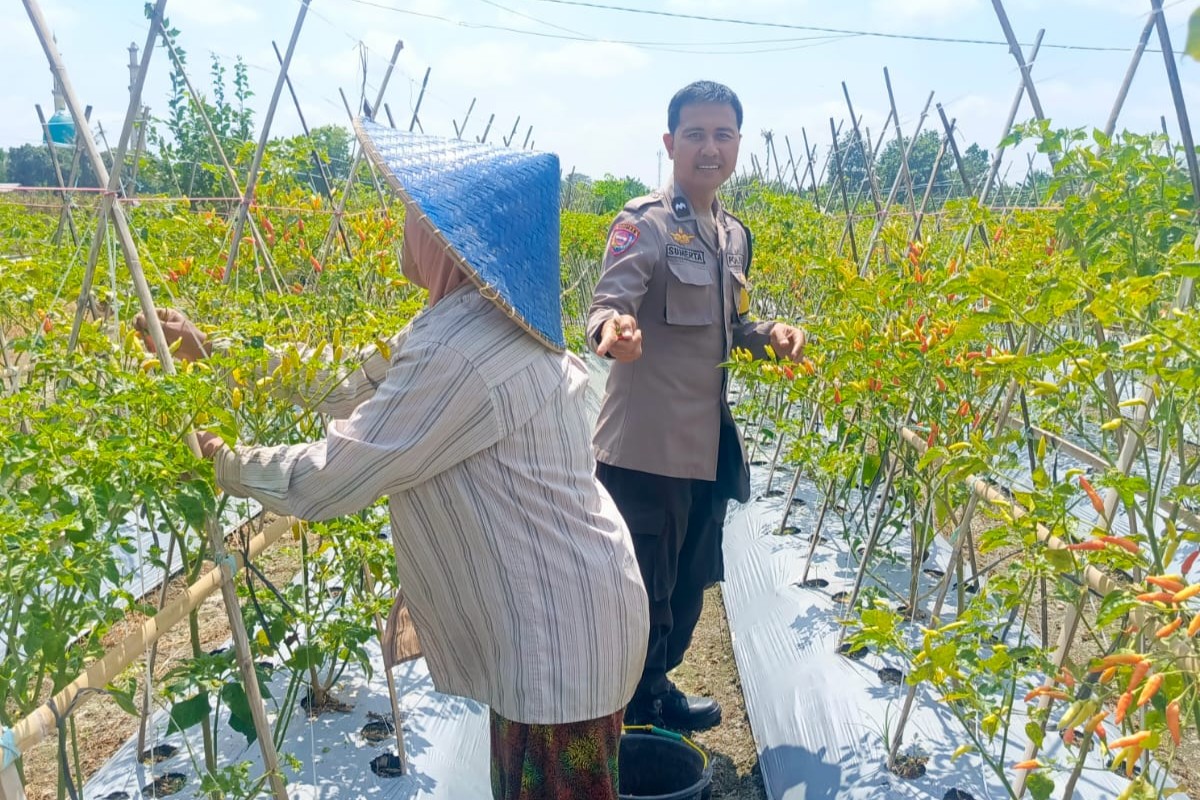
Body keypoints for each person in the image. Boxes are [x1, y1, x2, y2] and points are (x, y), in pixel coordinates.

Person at [140, 124, 648, 800]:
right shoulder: (465, 320)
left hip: (559, 636)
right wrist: (214, 350)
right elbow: (343, 379)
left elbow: (332, 477)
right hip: (562, 617)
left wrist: (223, 463)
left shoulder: (460, 350)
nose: (403, 223)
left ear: (446, 235)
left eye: (414, 211)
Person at [587, 80, 805, 731]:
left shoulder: (733, 235)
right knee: (641, 595)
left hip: (705, 447)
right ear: (670, 143)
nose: (710, 148)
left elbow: (729, 328)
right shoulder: (644, 225)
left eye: (723, 135)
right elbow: (608, 306)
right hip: (645, 452)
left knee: (687, 588)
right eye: (696, 134)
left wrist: (770, 337)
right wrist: (614, 334)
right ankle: (629, 721)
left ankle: (653, 693)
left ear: (737, 143)